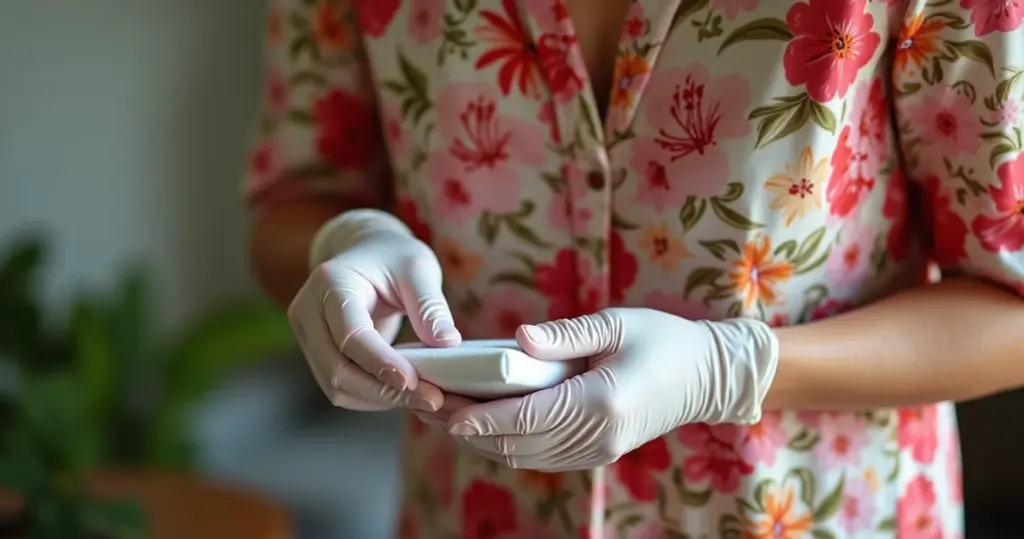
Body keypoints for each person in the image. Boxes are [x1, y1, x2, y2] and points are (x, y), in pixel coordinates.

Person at [244, 0, 1024, 536]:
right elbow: (292, 198)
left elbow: (1009, 304)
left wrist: (729, 368)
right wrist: (344, 240)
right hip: (474, 512)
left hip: (820, 510)